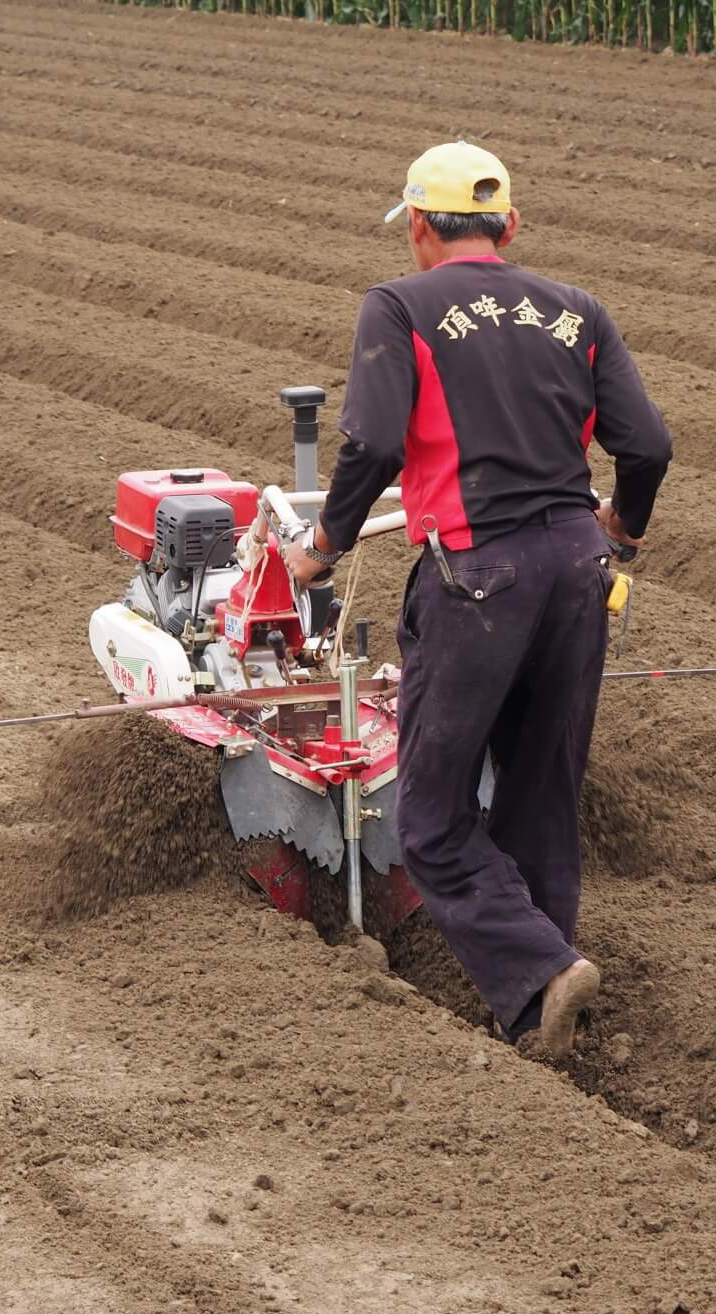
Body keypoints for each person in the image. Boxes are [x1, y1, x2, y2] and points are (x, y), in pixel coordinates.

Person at [284, 140, 671, 1059]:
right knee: (540, 795)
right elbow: (648, 446)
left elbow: (372, 445)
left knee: (430, 816)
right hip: (580, 570)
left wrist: (323, 547)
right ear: (511, 226)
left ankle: (539, 971)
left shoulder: (399, 306)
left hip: (476, 577)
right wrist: (622, 531)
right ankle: (546, 1014)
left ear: (418, 226)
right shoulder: (580, 312)